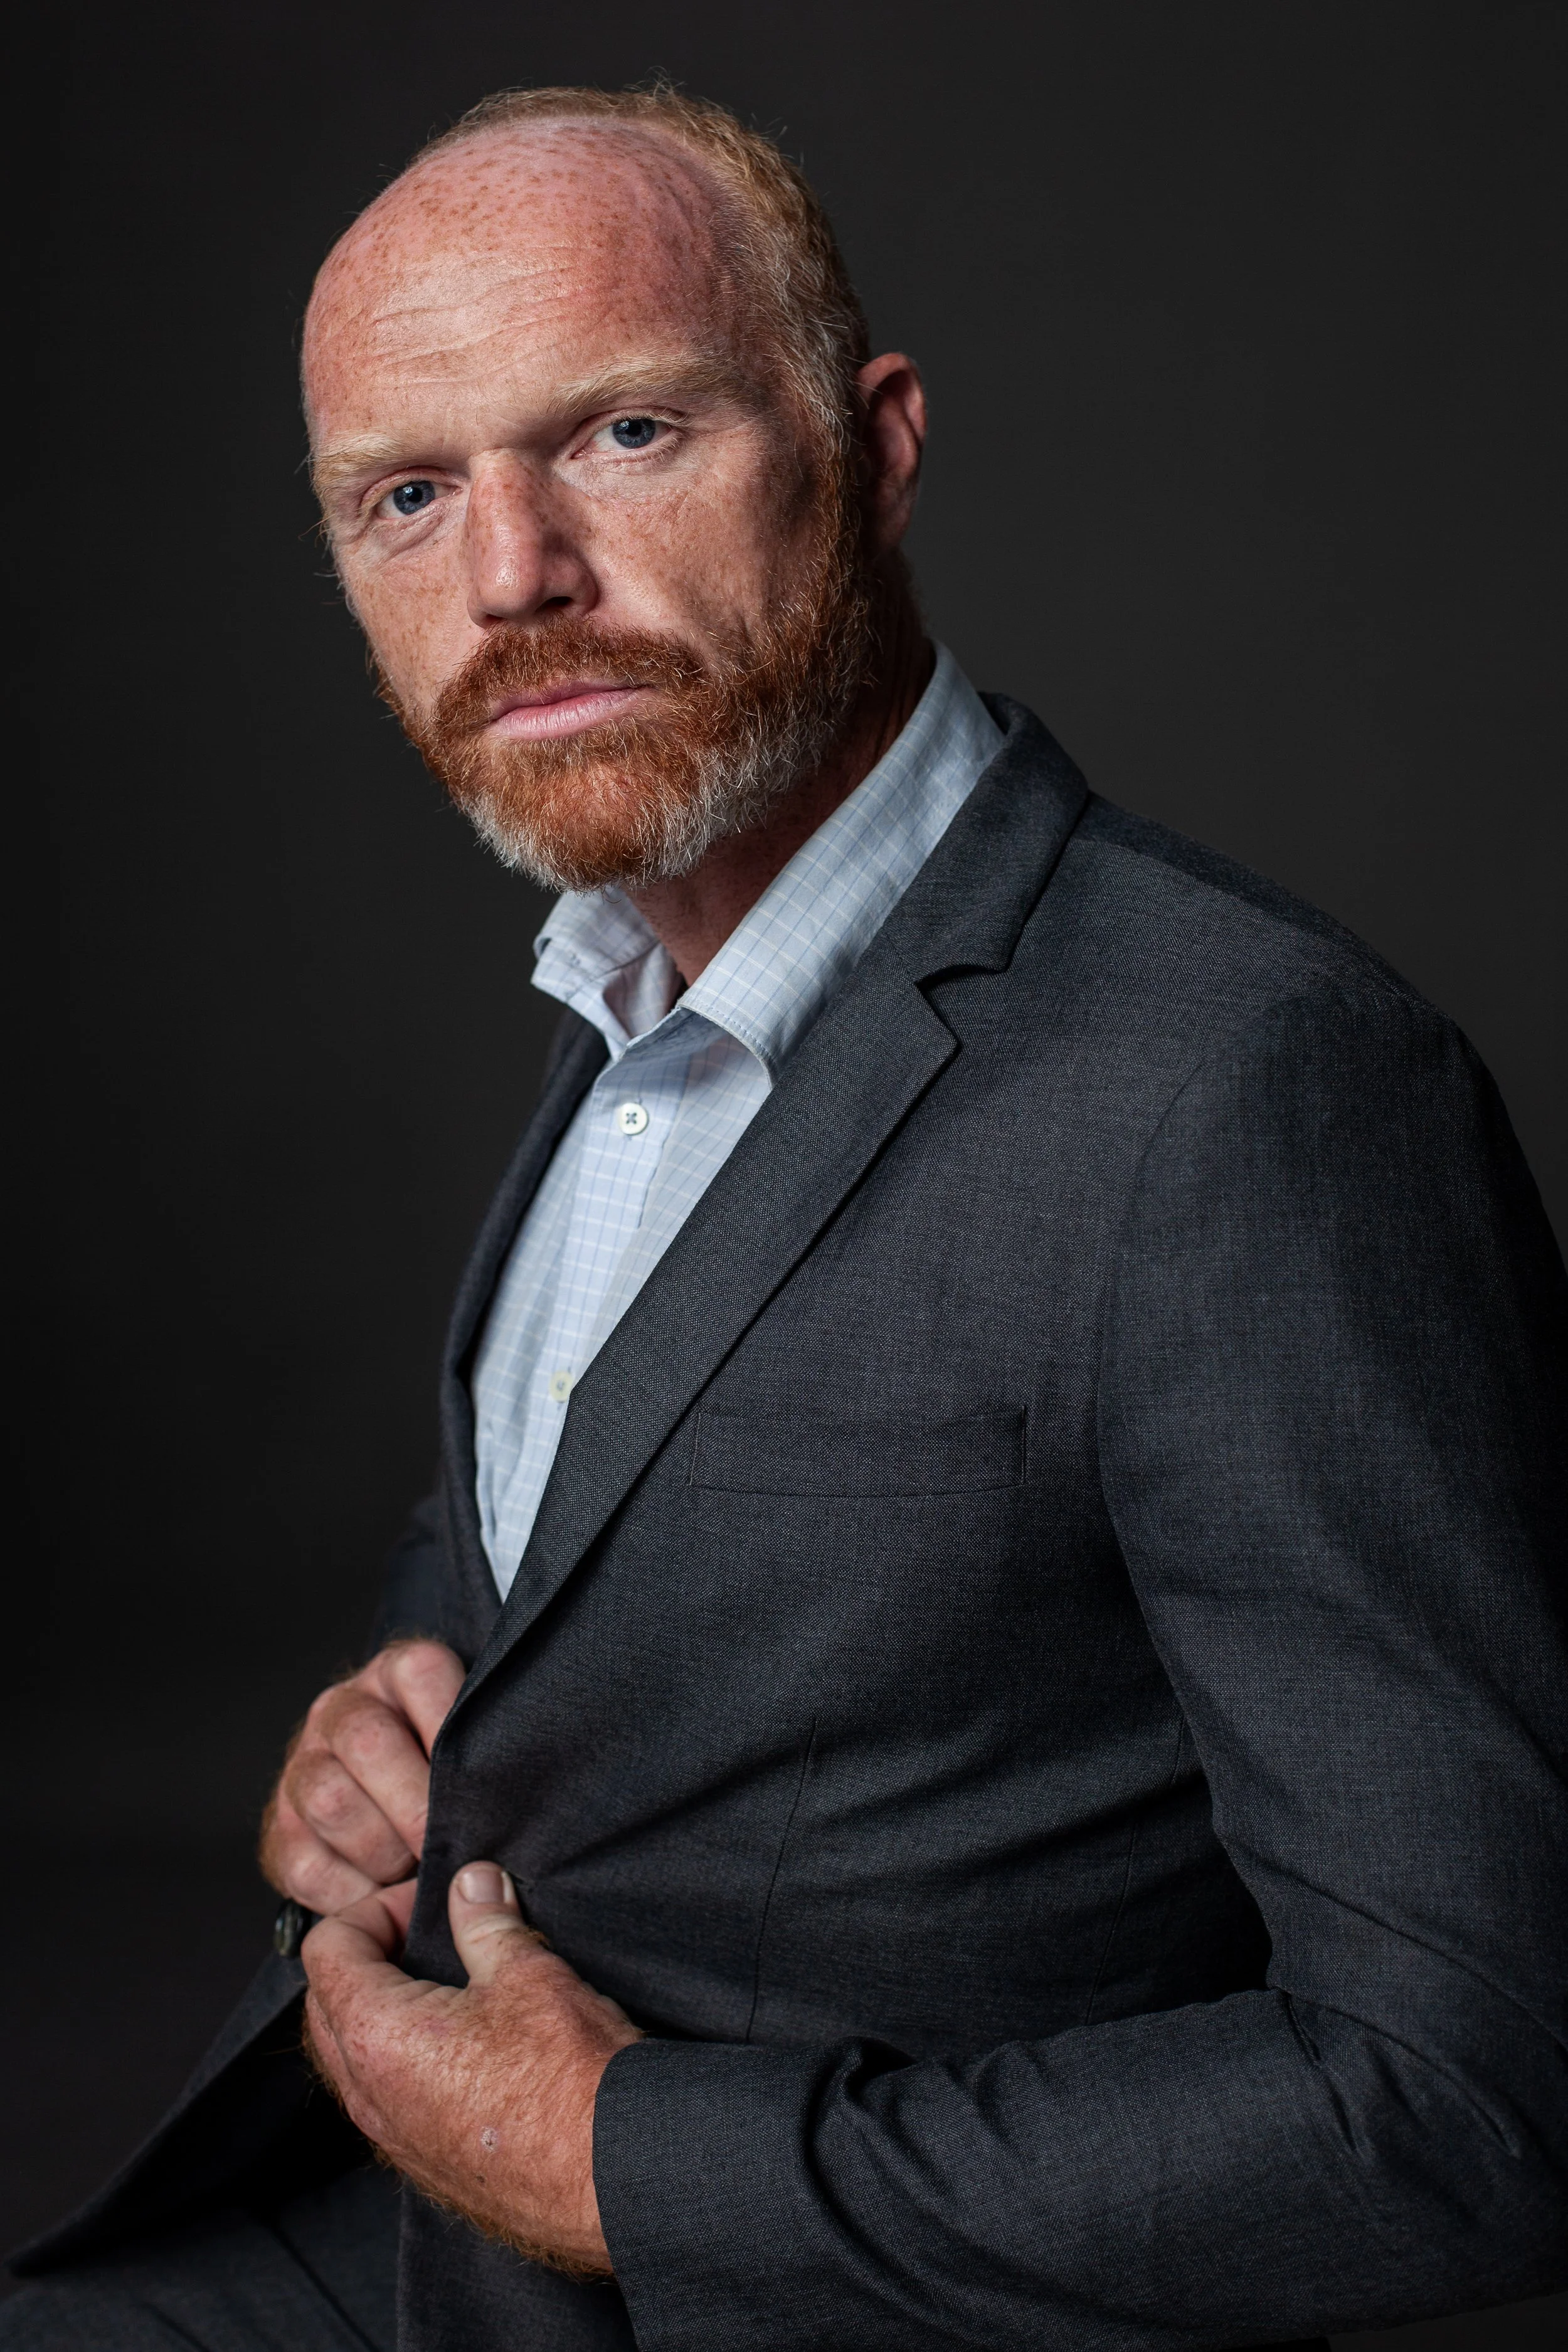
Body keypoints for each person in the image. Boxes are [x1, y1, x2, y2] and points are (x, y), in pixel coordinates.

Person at [8, 81, 1566, 2352]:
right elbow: (600, 1569)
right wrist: (385, 1730)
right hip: (379, 2249)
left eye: (625, 435)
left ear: (876, 443)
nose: (514, 574)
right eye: (406, 494)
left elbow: (1488, 2091)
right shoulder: (635, 986)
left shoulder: (1251, 1086)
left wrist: (626, 2168)